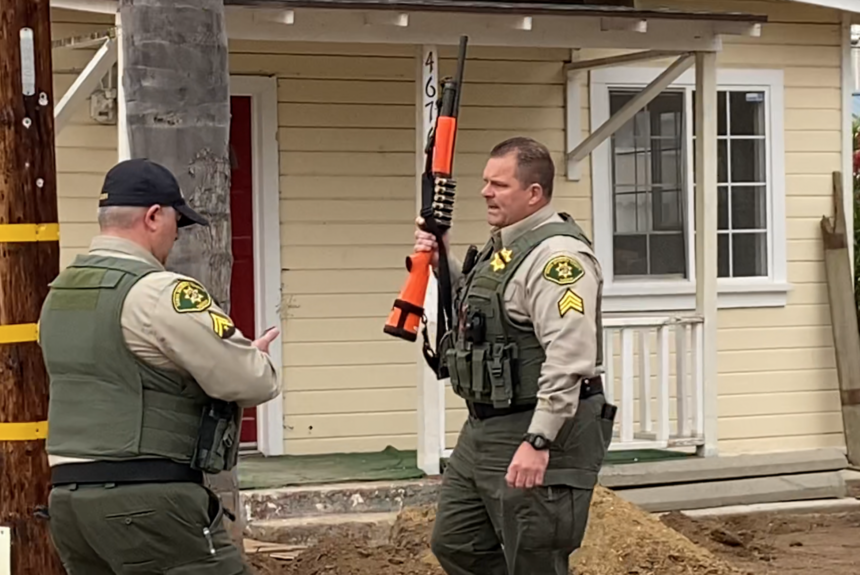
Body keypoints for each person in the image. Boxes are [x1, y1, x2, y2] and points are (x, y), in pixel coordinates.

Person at [38, 158, 281, 575]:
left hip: (69, 505)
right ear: (153, 216)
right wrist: (252, 356)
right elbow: (253, 381)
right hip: (148, 498)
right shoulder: (159, 293)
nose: (177, 235)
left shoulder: (58, 295)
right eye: (176, 221)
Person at [420, 137, 617, 575]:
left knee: (534, 558)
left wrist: (539, 440)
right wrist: (443, 261)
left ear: (534, 193)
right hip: (485, 427)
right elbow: (489, 308)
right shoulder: (508, 246)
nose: (485, 192)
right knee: (458, 544)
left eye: (499, 184)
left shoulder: (558, 259)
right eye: (486, 182)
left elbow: (570, 354)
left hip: (537, 424)